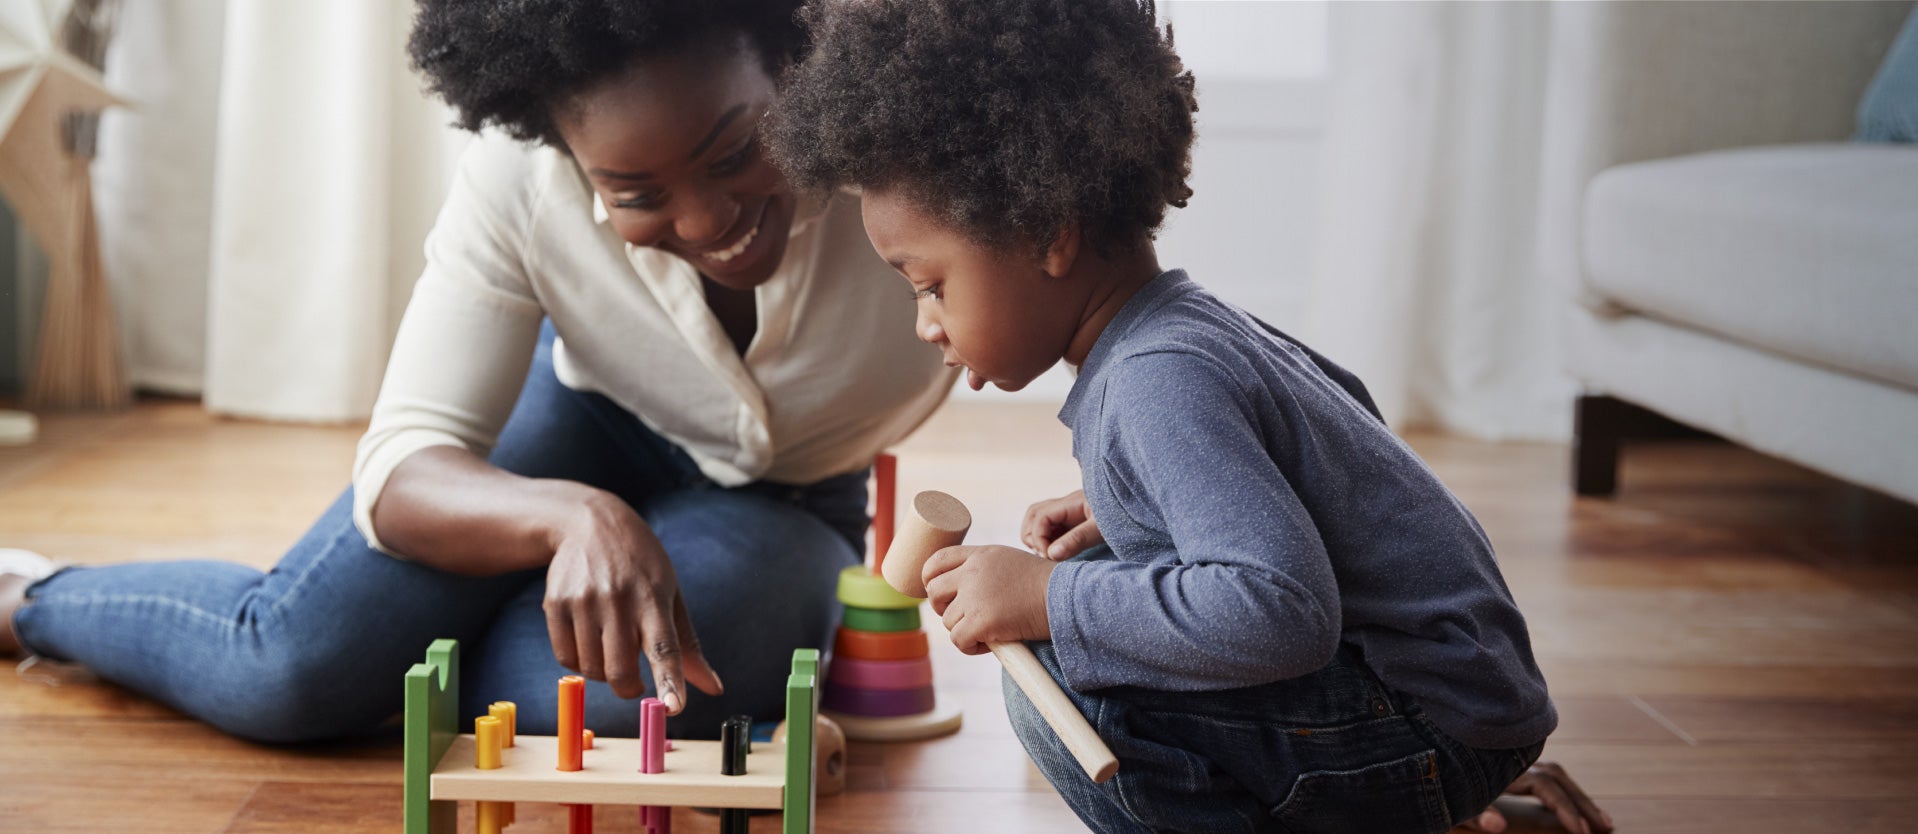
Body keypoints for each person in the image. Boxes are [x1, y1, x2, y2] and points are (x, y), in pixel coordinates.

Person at [0, 0, 953, 743]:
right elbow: (406, 463)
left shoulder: (922, 149)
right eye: (635, 193)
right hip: (590, 418)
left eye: (740, 152)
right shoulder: (516, 180)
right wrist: (572, 518)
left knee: (627, 707)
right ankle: (29, 601)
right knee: (285, 670)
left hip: (783, 497)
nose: (706, 224)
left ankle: (386, 657)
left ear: (793, 56)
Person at [766, 1, 1612, 832]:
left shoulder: (1153, 378)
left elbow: (1285, 612)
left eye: (930, 283)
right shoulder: (1191, 325)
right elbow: (1343, 424)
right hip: (1471, 698)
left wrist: (1052, 598)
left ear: (1045, 234)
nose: (926, 323)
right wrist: (1147, 506)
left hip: (1428, 728)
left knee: (1066, 685)